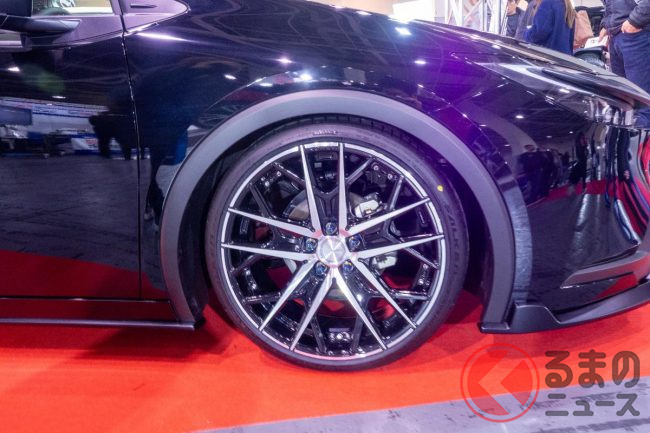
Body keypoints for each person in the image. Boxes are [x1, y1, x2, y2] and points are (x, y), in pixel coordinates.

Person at [600, 0, 650, 128]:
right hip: (618, 33)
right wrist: (607, 24)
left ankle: (643, 139)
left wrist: (635, 21)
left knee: (642, 106)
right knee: (622, 103)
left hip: (637, 33)